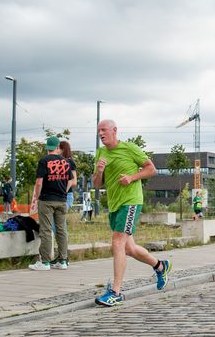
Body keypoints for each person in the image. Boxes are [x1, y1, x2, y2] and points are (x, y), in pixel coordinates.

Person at [93, 119, 170, 307]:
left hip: (131, 201)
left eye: (104, 130)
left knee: (117, 241)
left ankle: (116, 292)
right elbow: (96, 184)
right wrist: (99, 171)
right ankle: (160, 266)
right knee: (129, 248)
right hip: (115, 204)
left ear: (114, 131)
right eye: (98, 131)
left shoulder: (129, 148)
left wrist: (132, 177)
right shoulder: (100, 153)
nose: (101, 134)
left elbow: (151, 169)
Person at [29, 136, 72, 271]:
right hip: (62, 200)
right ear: (58, 147)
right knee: (61, 230)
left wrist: (37, 196)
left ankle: (45, 262)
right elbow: (71, 180)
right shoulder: (65, 162)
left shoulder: (44, 161)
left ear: (47, 147)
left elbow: (39, 182)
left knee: (46, 230)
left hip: (47, 199)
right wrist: (63, 192)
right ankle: (63, 261)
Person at [58, 141, 78, 211]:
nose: (56, 150)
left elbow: (74, 182)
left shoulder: (70, 162)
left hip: (66, 195)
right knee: (57, 220)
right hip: (57, 195)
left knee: (59, 218)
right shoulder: (56, 162)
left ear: (63, 149)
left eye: (58, 148)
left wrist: (60, 186)